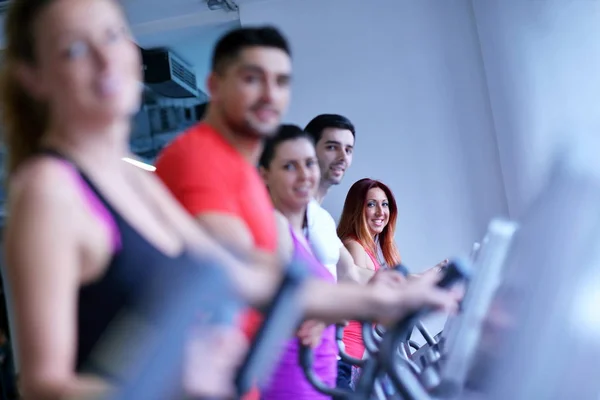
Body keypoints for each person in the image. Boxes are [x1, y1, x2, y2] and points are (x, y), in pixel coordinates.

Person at [155, 25, 459, 396]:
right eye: (252, 78)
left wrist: (332, 301)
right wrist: (369, 300)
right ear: (216, 85)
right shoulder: (199, 160)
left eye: (281, 81)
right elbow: (247, 277)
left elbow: (285, 280)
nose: (270, 94)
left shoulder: (244, 176)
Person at [0, 0, 272, 398]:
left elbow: (228, 271)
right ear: (34, 78)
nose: (104, 58)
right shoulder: (47, 189)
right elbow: (42, 387)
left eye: (112, 36)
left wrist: (360, 298)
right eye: (74, 48)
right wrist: (169, 378)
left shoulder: (131, 175)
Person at [257, 124, 336, 399]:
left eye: (309, 164)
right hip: (292, 378)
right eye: (290, 166)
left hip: (317, 376)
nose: (305, 175)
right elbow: (280, 302)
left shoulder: (302, 233)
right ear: (265, 174)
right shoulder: (275, 224)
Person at [302, 114, 359, 283]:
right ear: (308, 149)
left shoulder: (324, 219)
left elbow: (350, 272)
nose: (343, 157)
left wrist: (412, 280)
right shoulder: (291, 211)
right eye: (332, 147)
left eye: (348, 150)